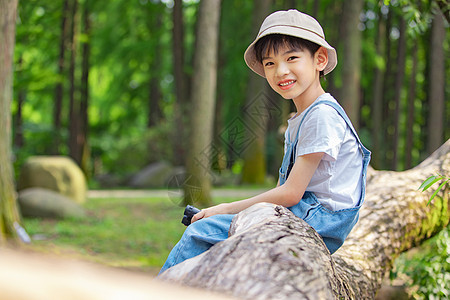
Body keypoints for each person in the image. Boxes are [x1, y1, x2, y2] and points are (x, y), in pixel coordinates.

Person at [159, 9, 370, 275]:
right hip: (308, 214)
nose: (281, 71)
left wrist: (223, 209)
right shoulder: (303, 116)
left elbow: (290, 193)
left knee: (202, 231)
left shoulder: (321, 115)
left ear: (320, 59)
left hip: (320, 220)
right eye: (270, 63)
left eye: (292, 58)